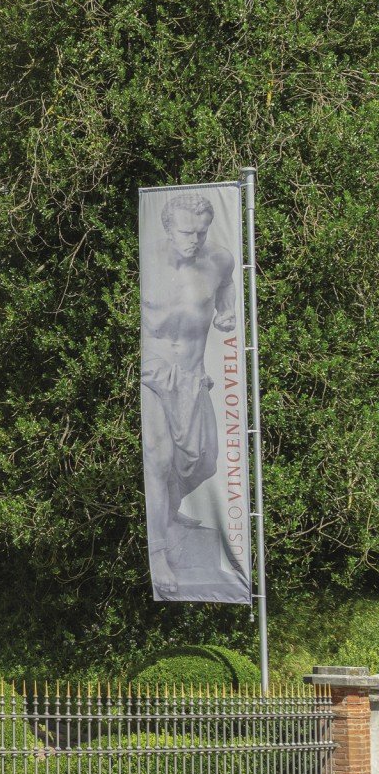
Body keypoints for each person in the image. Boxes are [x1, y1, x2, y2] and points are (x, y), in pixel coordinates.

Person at [140, 192, 244, 598]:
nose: (194, 240)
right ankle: (158, 552)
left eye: (200, 233)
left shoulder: (218, 260)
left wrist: (227, 309)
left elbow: (228, 286)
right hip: (154, 371)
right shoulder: (147, 261)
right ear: (168, 228)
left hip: (192, 374)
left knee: (205, 462)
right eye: (186, 232)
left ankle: (167, 510)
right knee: (159, 456)